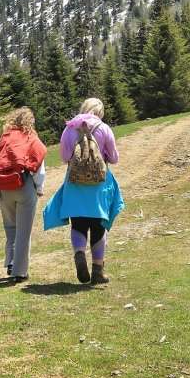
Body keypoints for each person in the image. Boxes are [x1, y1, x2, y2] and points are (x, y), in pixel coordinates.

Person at [43, 98, 123, 286]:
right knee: (98, 225)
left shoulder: (69, 128)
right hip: (99, 185)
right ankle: (97, 271)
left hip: (74, 183)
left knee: (78, 224)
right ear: (99, 112)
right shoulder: (103, 128)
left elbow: (64, 157)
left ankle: (79, 254)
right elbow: (114, 157)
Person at [0, 107, 47, 283]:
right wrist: (38, 187)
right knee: (24, 231)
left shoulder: (5, 138)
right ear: (30, 122)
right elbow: (40, 169)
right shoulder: (32, 138)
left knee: (10, 228)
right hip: (24, 185)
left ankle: (10, 262)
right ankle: (19, 272)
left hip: (4, 187)